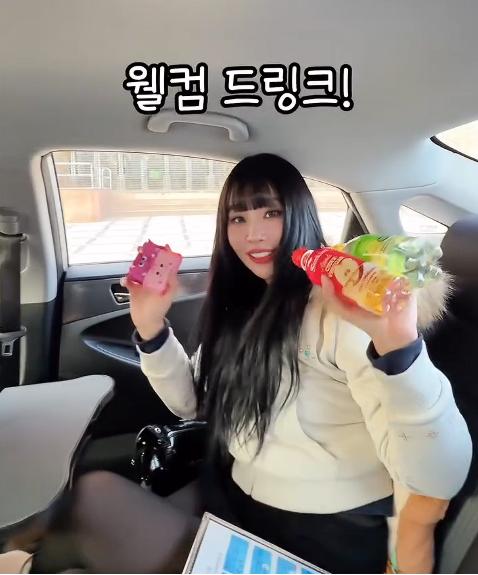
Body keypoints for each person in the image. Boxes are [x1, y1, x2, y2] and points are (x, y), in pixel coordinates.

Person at [69, 153, 472, 574]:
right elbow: (192, 404)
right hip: (235, 494)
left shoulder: (340, 313)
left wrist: (400, 351)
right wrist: (150, 328)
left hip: (326, 531)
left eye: (271, 213)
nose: (254, 234)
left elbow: (436, 475)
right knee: (86, 526)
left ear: (300, 215)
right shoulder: (241, 305)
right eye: (238, 218)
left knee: (94, 500)